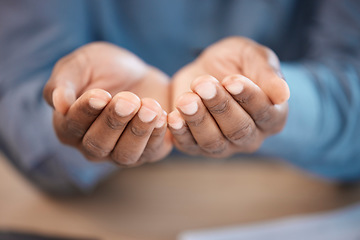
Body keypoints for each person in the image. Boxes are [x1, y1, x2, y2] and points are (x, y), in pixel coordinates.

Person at [0, 0, 359, 195]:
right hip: (109, 210)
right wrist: (70, 117)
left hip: (301, 199)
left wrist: (276, 103)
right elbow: (21, 101)